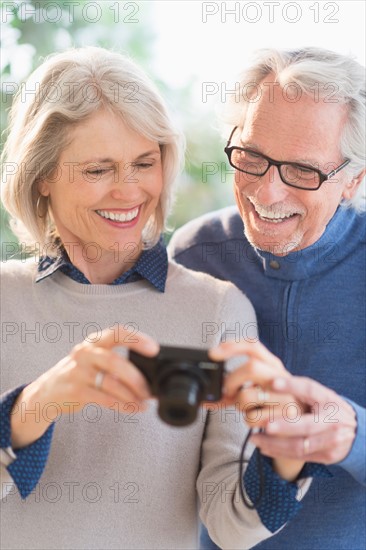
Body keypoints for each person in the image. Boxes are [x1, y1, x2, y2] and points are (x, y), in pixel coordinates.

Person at [0, 46, 312, 550]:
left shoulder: (216, 309)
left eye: (144, 163)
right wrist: (37, 404)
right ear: (42, 177)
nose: (129, 192)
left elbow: (231, 527)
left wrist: (288, 449)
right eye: (98, 170)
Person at [169, 47, 366, 550]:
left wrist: (353, 437)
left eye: (302, 171)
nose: (266, 192)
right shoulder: (196, 254)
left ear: (354, 180)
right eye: (252, 157)